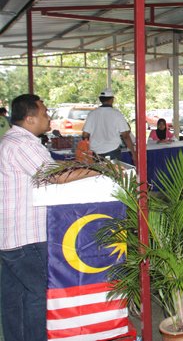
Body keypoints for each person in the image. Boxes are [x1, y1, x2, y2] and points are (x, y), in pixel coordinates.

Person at [0, 94, 98, 341]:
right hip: (26, 238)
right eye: (44, 113)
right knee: (39, 295)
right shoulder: (23, 144)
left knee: (15, 297)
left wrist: (76, 166)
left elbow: (48, 170)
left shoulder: (12, 140)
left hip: (9, 237)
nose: (48, 117)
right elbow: (54, 176)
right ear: (30, 118)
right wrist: (96, 170)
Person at [82, 88, 137, 166]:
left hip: (96, 153)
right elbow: (125, 136)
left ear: (101, 100)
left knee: (99, 175)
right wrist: (133, 153)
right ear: (112, 100)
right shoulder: (117, 114)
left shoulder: (92, 114)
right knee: (114, 176)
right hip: (112, 151)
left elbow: (85, 135)